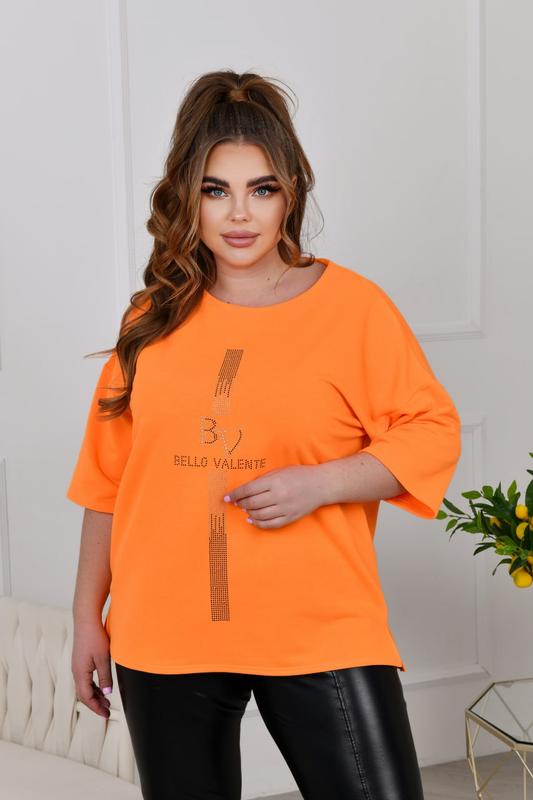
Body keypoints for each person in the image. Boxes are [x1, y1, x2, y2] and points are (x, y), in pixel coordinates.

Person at [67, 69, 461, 800]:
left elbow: (431, 431)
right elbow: (107, 482)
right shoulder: (151, 319)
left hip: (318, 624)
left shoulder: (353, 309)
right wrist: (86, 616)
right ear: (187, 196)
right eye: (216, 190)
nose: (239, 214)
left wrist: (322, 483)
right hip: (165, 630)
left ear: (292, 192)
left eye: (262, 188)